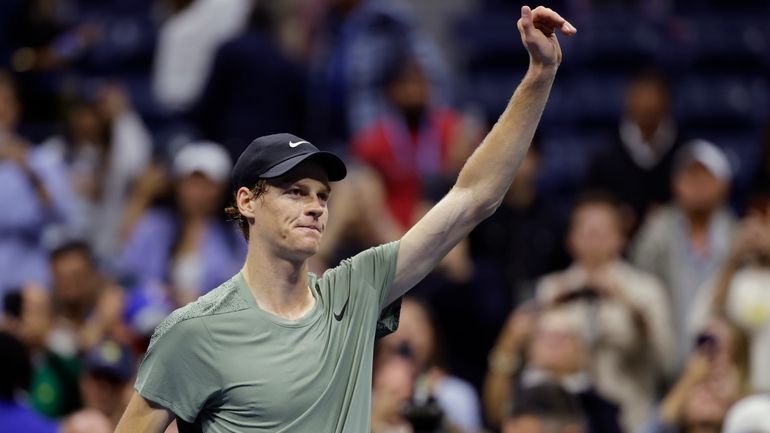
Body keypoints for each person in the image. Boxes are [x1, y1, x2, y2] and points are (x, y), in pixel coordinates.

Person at [114, 6, 577, 432]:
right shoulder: (193, 332)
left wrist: (540, 73)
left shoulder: (356, 290)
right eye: (294, 192)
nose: (315, 205)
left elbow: (474, 196)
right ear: (248, 202)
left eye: (321, 194)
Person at [535, 192, 676, 431]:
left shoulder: (646, 290)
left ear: (620, 238)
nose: (594, 239)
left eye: (602, 232)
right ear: (571, 239)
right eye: (586, 231)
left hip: (633, 417)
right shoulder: (552, 290)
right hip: (563, 422)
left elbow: (668, 364)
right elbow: (536, 364)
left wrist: (630, 307)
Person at [631, 139, 737, 370]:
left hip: (725, 363)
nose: (697, 184)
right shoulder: (655, 231)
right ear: (675, 184)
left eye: (706, 176)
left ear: (724, 185)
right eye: (689, 176)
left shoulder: (738, 236)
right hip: (664, 361)